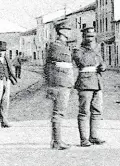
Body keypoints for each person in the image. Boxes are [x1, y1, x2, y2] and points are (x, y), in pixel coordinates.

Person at [73, 27, 107, 147]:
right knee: (84, 111)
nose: (91, 39)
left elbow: (102, 63)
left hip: (97, 82)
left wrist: (103, 66)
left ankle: (93, 136)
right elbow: (82, 62)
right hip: (85, 83)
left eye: (93, 36)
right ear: (84, 37)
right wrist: (93, 53)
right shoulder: (79, 50)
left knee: (97, 110)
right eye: (89, 36)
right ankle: (83, 139)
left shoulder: (96, 50)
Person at [44, 19, 74, 150]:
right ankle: (57, 142)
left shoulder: (64, 45)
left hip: (64, 83)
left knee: (60, 112)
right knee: (58, 113)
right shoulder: (55, 46)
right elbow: (49, 67)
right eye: (67, 29)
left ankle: (56, 141)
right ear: (61, 31)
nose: (69, 32)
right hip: (59, 83)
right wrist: (51, 85)